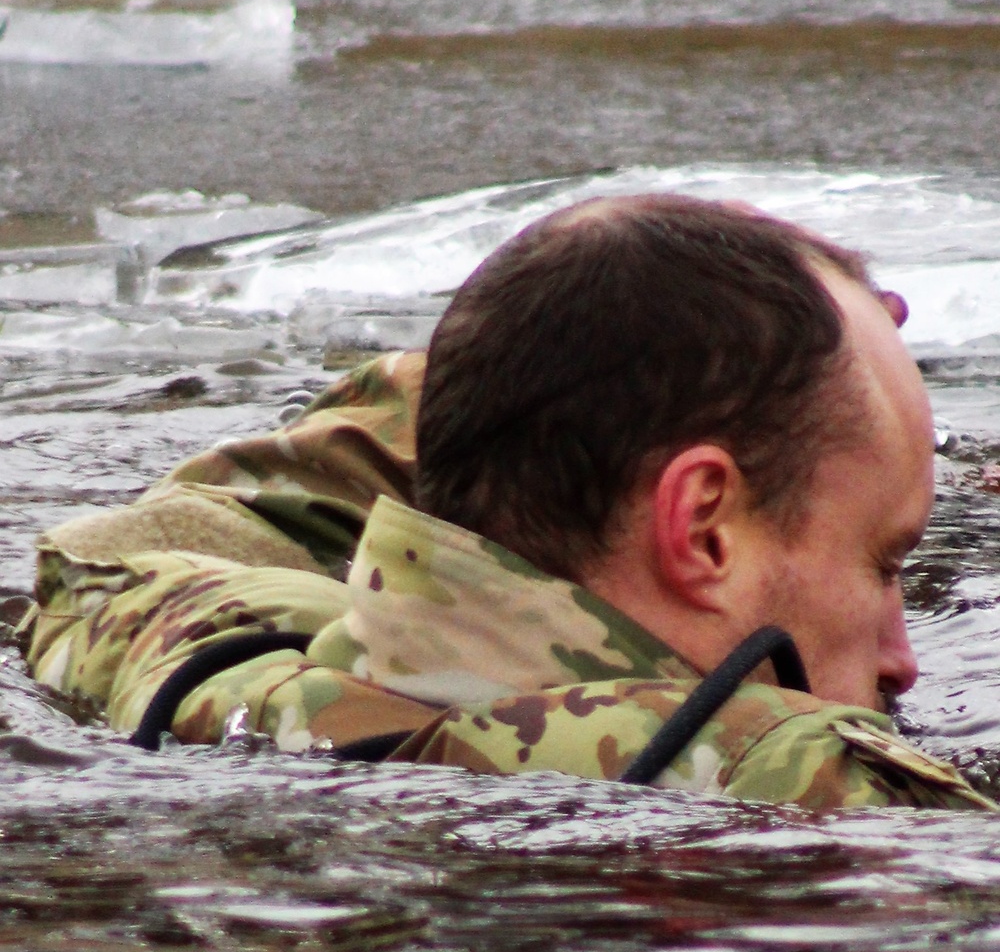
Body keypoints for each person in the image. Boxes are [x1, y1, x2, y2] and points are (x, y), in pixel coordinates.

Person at [19, 195, 997, 811]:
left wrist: (650, 317)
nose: (900, 659)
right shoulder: (819, 800)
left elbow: (242, 502)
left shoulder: (178, 646)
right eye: (883, 560)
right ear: (701, 526)